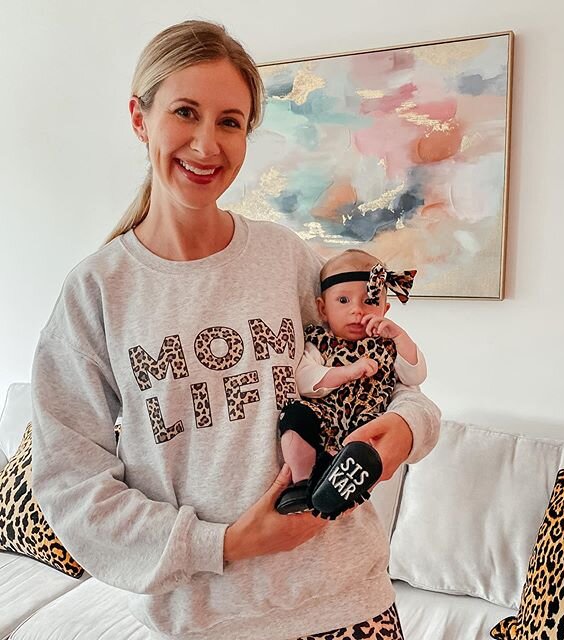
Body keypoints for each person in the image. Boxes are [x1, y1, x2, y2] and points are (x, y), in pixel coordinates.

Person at [30, 19, 440, 640]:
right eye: (185, 113)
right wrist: (222, 544)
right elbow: (69, 484)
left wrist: (405, 432)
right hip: (206, 623)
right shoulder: (98, 291)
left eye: (229, 122)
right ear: (141, 119)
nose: (205, 145)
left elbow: (397, 386)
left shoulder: (288, 260)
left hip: (349, 604)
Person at [277, 249, 428, 518]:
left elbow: (415, 375)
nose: (357, 310)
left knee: (364, 450)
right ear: (323, 309)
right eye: (343, 300)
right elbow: (304, 380)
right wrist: (347, 372)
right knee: (294, 418)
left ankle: (341, 491)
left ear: (385, 308)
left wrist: (399, 336)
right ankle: (303, 484)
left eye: (370, 301)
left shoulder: (387, 346)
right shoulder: (319, 342)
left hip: (365, 424)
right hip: (325, 418)